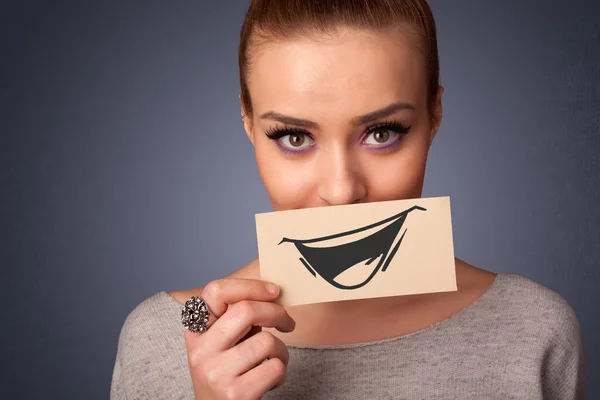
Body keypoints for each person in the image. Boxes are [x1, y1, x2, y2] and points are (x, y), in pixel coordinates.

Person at [110, 0, 586, 399]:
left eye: (382, 133)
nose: (341, 191)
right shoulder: (165, 342)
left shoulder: (535, 331)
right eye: (294, 137)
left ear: (435, 114)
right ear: (248, 124)